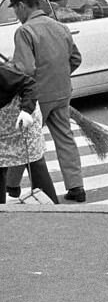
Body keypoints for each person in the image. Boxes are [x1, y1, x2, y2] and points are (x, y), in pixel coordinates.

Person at [4, 0, 84, 202]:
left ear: (22, 6)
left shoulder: (25, 31)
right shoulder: (60, 27)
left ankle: (11, 186)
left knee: (23, 139)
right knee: (65, 138)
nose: (16, 15)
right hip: (62, 92)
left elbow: (25, 69)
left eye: (15, 9)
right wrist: (59, 76)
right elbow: (75, 59)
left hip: (37, 97)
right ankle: (76, 186)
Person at [0, 45, 58, 205]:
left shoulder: (4, 73)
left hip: (22, 115)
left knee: (34, 161)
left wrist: (26, 111)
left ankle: (53, 208)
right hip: (2, 123)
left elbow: (30, 85)